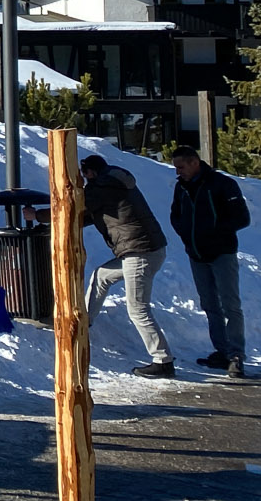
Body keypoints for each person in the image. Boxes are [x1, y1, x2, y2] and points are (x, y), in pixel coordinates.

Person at [81, 154, 174, 379]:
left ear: (91, 172)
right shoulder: (116, 181)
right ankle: (84, 323)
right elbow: (92, 215)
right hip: (150, 249)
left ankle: (163, 361)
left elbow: (76, 210)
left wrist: (40, 216)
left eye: (85, 175)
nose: (85, 180)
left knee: (138, 309)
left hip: (138, 253)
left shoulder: (101, 187)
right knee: (101, 275)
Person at [170, 144, 251, 378]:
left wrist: (215, 233)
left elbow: (242, 218)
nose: (178, 172)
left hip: (222, 253)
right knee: (209, 305)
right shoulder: (181, 187)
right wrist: (186, 234)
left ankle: (236, 355)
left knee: (230, 305)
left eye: (181, 166)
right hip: (196, 253)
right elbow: (176, 215)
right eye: (176, 167)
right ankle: (222, 351)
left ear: (195, 162)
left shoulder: (222, 184)